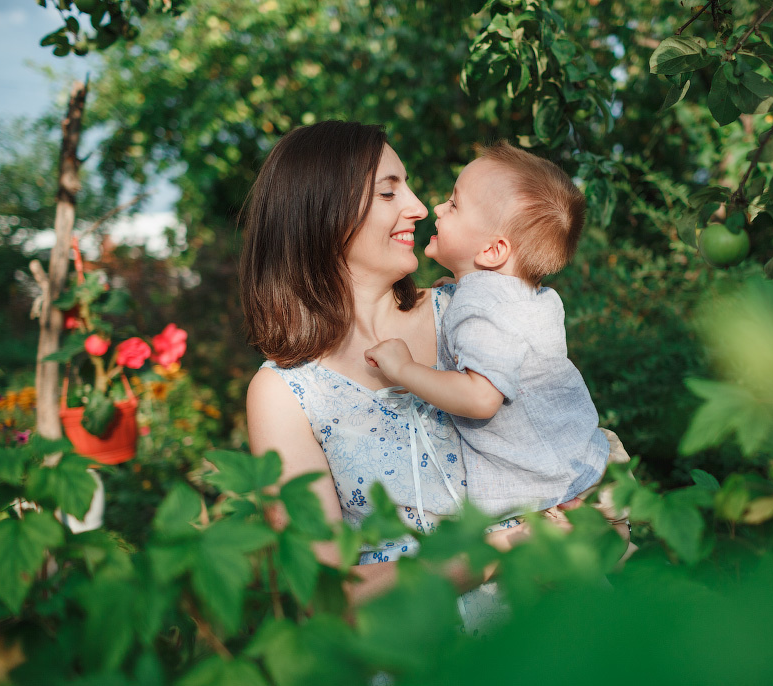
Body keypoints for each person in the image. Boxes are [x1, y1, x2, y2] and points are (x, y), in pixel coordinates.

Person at [240, 121, 509, 627]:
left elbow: (563, 433)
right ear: (324, 213)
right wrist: (497, 551)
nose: (419, 207)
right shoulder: (283, 391)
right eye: (389, 191)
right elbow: (326, 595)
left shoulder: (469, 311)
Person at [363, 142, 630, 526]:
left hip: (556, 493)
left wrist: (404, 369)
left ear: (492, 251)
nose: (435, 209)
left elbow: (480, 397)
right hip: (587, 462)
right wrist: (461, 293)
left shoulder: (479, 305)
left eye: (454, 205)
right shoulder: (526, 294)